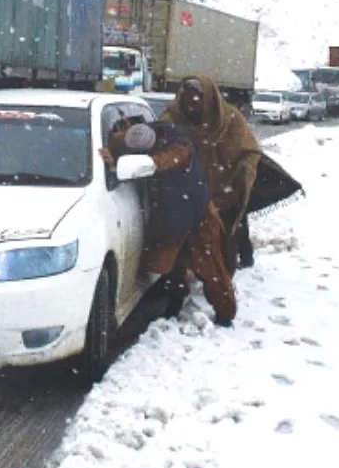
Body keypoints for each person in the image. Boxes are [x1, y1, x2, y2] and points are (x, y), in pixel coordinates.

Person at [101, 120, 236, 326]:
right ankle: (174, 303)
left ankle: (225, 314)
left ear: (155, 142)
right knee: (174, 265)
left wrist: (145, 163)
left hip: (197, 214)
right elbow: (117, 142)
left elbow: (163, 161)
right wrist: (112, 158)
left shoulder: (179, 146)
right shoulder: (137, 134)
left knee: (209, 267)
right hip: (171, 214)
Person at [160, 75, 262, 276]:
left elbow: (250, 151)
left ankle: (223, 284)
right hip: (189, 193)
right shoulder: (174, 117)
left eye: (196, 102)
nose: (192, 108)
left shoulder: (231, 120)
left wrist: (240, 177)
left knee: (224, 244)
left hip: (223, 192)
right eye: (187, 101)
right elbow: (157, 136)